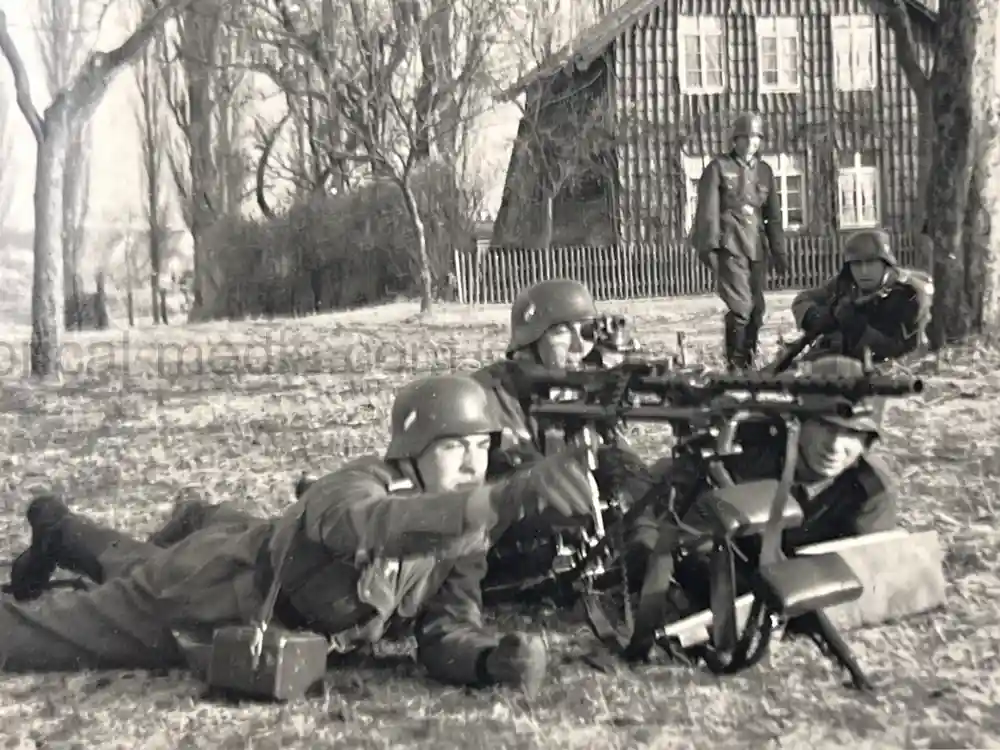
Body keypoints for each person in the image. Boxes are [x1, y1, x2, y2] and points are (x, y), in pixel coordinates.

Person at [0, 374, 600, 693]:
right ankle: (66, 529)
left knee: (130, 565)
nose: (472, 465)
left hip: (247, 562)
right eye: (453, 448)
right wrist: (499, 499)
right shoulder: (359, 487)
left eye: (480, 448)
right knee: (43, 636)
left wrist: (488, 660)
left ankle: (59, 528)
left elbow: (447, 627)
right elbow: (379, 528)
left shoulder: (467, 529)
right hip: (211, 593)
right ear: (412, 453)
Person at [628, 353, 899, 659]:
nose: (835, 446)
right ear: (798, 422)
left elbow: (869, 582)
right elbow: (674, 523)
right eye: (825, 426)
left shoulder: (869, 492)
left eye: (852, 433)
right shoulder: (749, 454)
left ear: (868, 442)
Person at [690, 112, 789, 371]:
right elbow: (707, 213)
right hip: (730, 248)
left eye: (756, 137)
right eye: (745, 137)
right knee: (741, 308)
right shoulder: (719, 168)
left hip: (756, 249)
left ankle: (748, 361)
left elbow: (773, 217)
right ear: (735, 140)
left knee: (757, 309)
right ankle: (735, 367)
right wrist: (708, 248)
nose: (751, 143)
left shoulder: (765, 172)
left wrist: (779, 251)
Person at [790, 228, 933, 364]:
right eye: (857, 263)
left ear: (886, 264)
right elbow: (803, 300)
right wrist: (819, 317)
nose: (863, 271)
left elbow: (905, 351)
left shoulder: (908, 293)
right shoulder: (845, 284)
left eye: (871, 262)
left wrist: (858, 329)